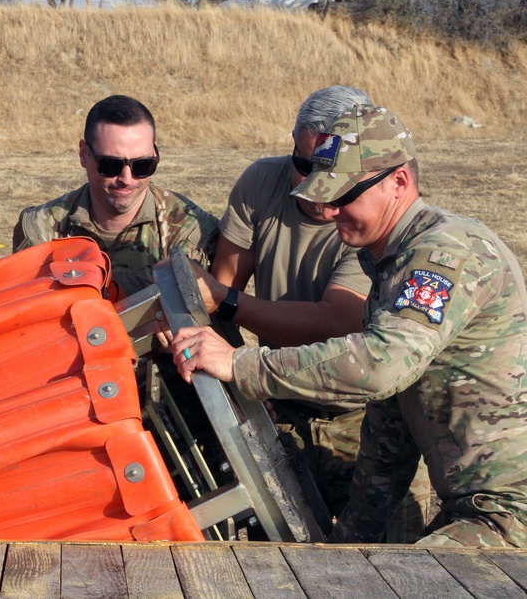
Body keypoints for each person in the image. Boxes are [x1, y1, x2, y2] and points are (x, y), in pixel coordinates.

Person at [172, 104, 527, 547]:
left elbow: (379, 366)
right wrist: (351, 545)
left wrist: (242, 365)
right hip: (475, 504)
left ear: (399, 182)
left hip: (508, 510)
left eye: (344, 197)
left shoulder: (443, 256)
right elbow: (389, 426)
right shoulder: (390, 262)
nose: (329, 210)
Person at [191, 86, 430, 542]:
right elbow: (222, 284)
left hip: (364, 419)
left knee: (393, 563)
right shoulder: (262, 183)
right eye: (305, 166)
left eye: (333, 173)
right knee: (278, 563)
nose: (316, 187)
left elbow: (337, 321)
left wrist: (231, 319)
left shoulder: (377, 223)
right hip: (279, 402)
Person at [12, 94, 218, 297]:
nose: (127, 179)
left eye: (142, 165)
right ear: (84, 155)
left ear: (155, 155)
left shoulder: (191, 232)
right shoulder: (40, 229)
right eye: (110, 165)